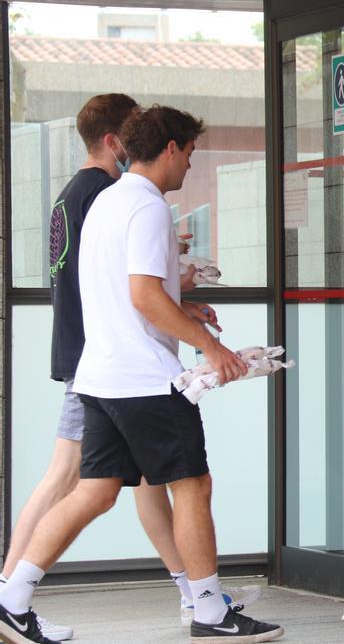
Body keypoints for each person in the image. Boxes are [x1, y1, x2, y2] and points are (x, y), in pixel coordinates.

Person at [0, 105, 282, 643]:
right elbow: (143, 293)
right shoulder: (150, 207)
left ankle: (12, 596)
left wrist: (183, 305)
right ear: (171, 148)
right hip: (144, 380)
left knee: (94, 491)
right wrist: (212, 347)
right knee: (193, 486)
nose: (190, 169)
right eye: (191, 156)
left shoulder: (107, 200)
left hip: (99, 376)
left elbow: (125, 288)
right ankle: (209, 611)